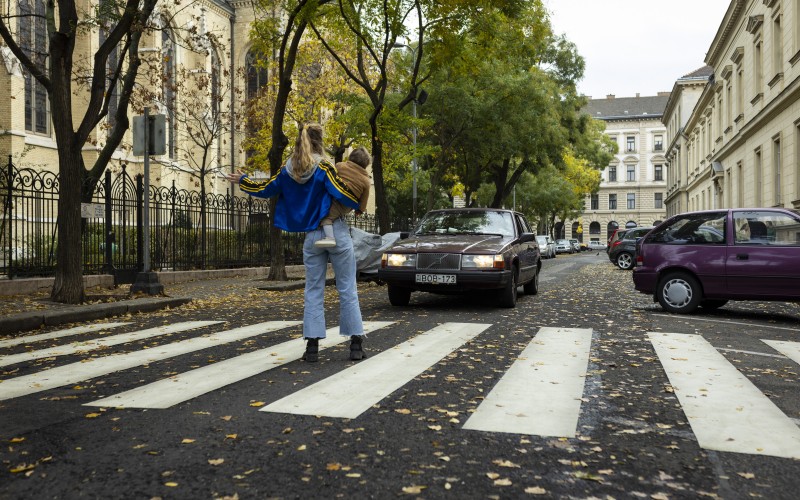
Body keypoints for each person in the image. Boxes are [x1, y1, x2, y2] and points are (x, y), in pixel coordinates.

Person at [226, 123, 367, 362]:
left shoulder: (288, 169)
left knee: (313, 290)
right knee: (347, 288)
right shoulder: (324, 167)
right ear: (319, 142)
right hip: (338, 234)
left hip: (312, 236)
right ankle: (355, 345)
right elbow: (343, 193)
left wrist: (244, 180)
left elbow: (266, 189)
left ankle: (312, 348)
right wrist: (357, 199)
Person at [315, 147, 372, 248]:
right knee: (335, 213)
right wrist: (360, 210)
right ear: (366, 164)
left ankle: (330, 238)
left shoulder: (340, 165)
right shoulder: (366, 180)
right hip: (347, 205)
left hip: (335, 196)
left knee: (327, 216)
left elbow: (330, 176)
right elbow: (364, 198)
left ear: (351, 157)